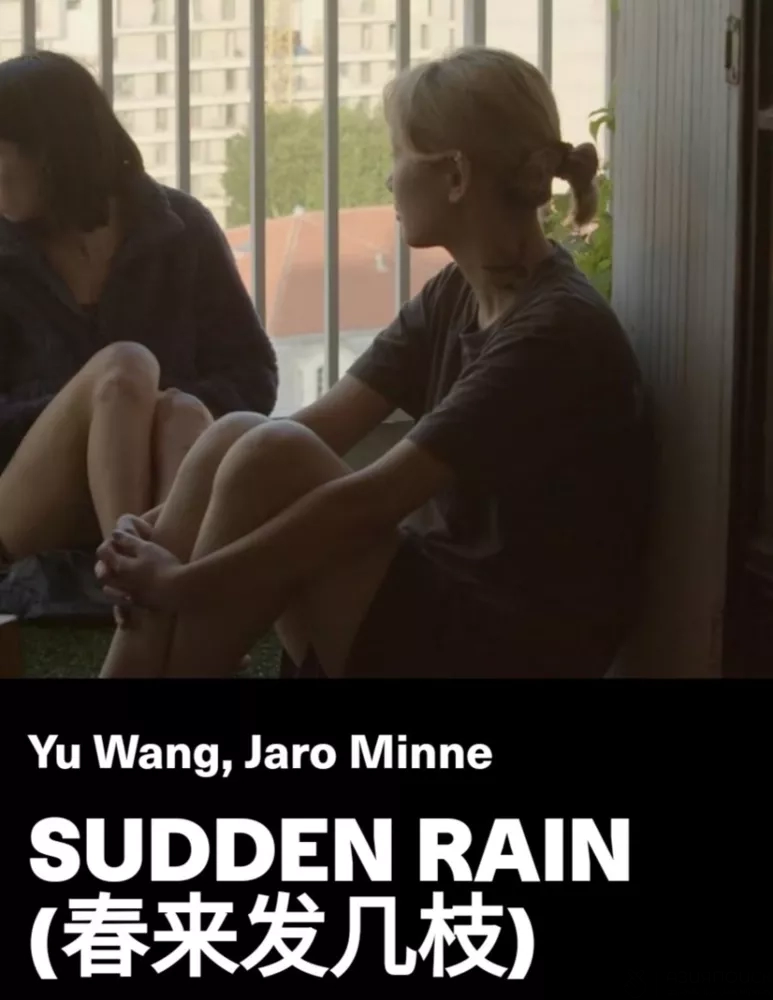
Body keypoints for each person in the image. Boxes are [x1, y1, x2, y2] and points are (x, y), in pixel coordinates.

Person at [95, 47, 652, 680]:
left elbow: (369, 502)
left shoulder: (551, 333)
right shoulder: (459, 293)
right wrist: (152, 531)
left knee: (269, 451)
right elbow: (320, 426)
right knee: (239, 435)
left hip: (511, 652)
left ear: (456, 176)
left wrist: (184, 584)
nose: (388, 180)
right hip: (448, 604)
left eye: (397, 154)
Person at [0, 51, 277, 573]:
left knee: (182, 413)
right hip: (24, 500)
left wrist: (152, 413)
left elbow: (252, 374)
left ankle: (154, 585)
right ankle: (134, 576)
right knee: (124, 368)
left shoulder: (179, 228)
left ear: (48, 154)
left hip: (166, 477)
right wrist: (98, 414)